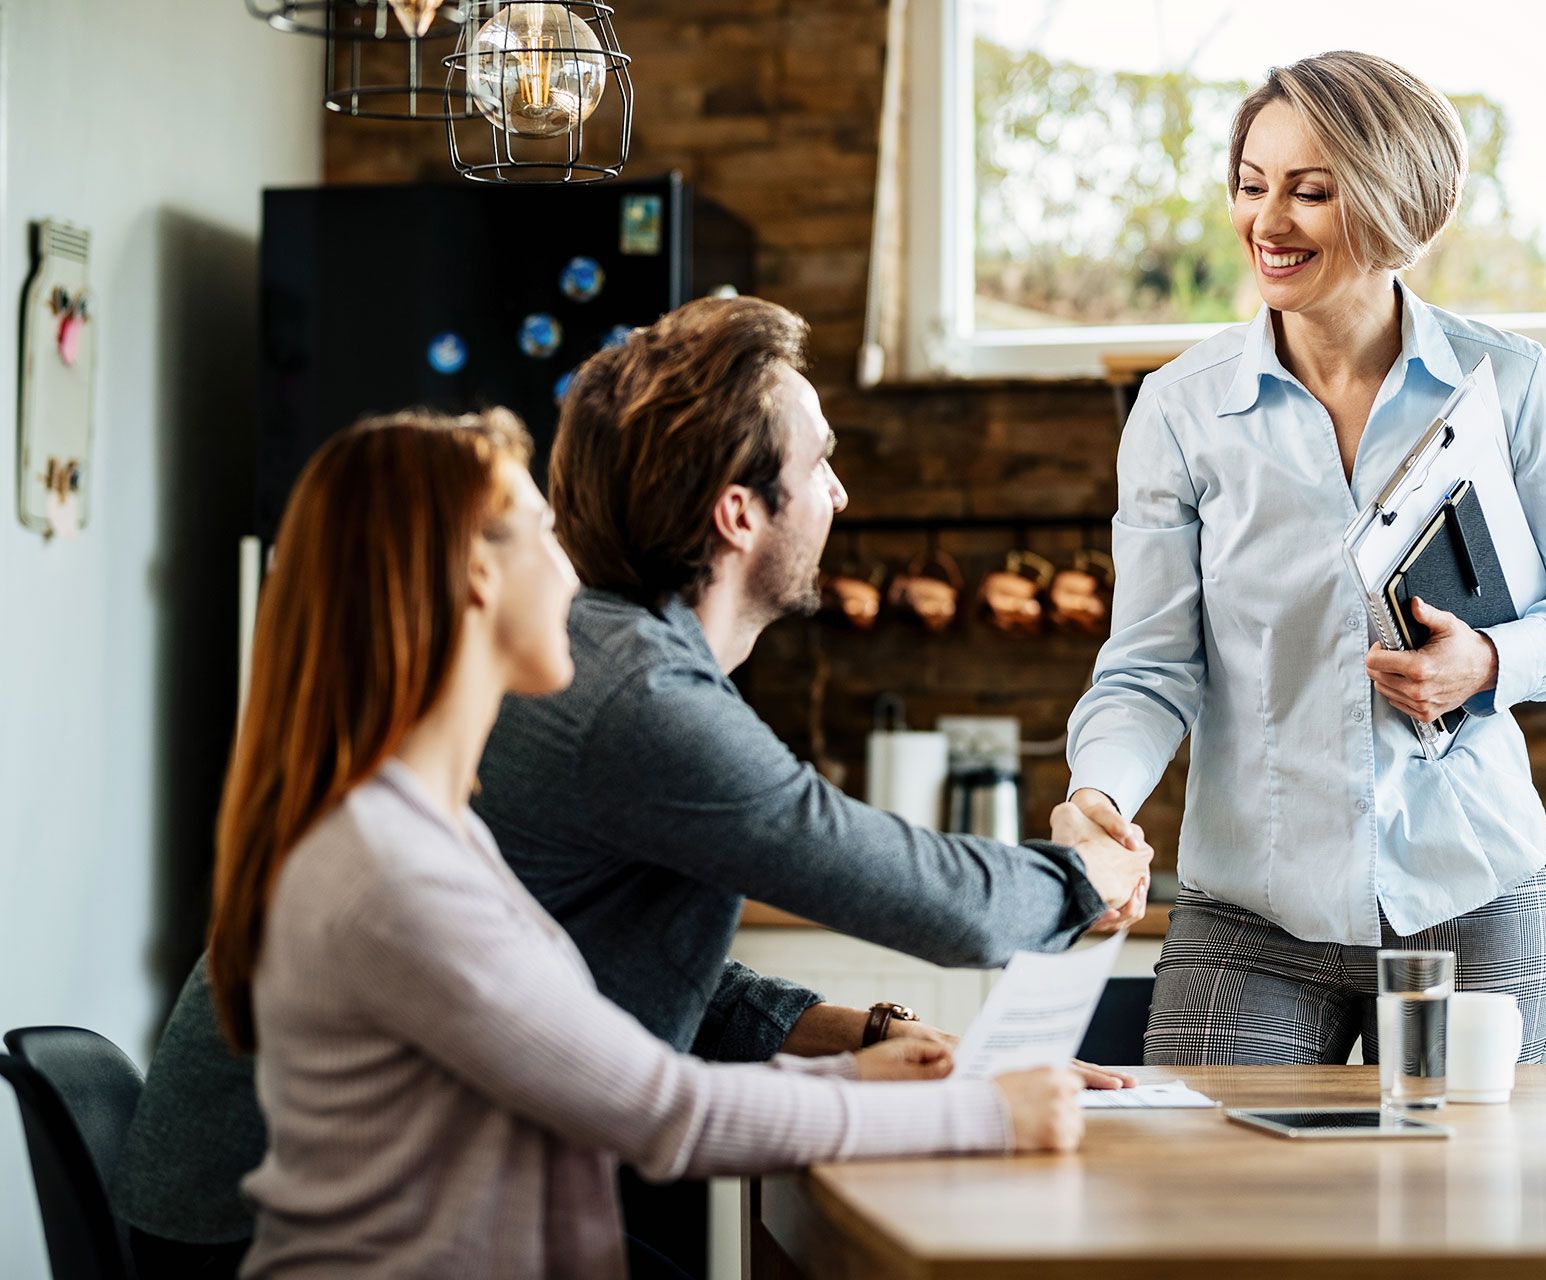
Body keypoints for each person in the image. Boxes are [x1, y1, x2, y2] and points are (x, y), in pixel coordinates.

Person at [114, 299, 1151, 1273]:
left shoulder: (526, 742)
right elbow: (905, 909)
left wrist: (866, 1041)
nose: (841, 491)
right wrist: (1080, 876)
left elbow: (571, 987)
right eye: (823, 460)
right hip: (263, 1225)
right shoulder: (623, 691)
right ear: (740, 512)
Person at [1063, 51, 1546, 1067]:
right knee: (1212, 1207)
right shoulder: (1182, 411)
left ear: (1391, 201)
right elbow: (1151, 665)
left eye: (1310, 191)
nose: (1267, 222)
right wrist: (1101, 792)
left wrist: (1490, 661)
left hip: (1473, 892)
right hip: (1254, 911)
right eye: (1252, 185)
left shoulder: (1509, 383)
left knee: (1471, 1220)